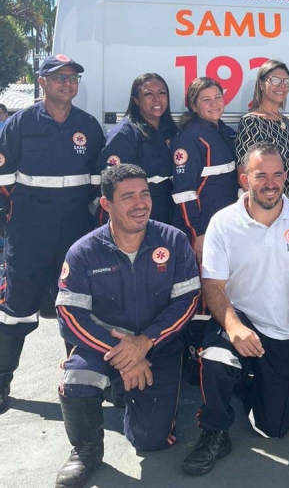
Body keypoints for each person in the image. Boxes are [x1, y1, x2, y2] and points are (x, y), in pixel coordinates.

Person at [54, 164, 200, 488]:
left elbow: (188, 300)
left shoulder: (173, 241)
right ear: (106, 204)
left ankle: (127, 393)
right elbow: (69, 315)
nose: (140, 203)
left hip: (157, 347)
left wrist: (145, 342)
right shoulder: (84, 251)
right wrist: (124, 353)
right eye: (128, 197)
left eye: (145, 194)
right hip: (103, 346)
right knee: (77, 378)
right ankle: (86, 452)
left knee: (151, 440)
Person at [182, 143, 289, 476]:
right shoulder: (223, 222)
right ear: (244, 178)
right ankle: (214, 430)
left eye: (277, 175)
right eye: (261, 175)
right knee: (216, 358)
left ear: (286, 178)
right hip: (236, 319)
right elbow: (212, 287)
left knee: (273, 428)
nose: (270, 183)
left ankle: (246, 382)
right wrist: (233, 327)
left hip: (280, 330)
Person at [0, 55, 105, 415]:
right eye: (58, 77)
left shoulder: (88, 126)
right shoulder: (20, 125)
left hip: (75, 236)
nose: (67, 83)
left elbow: (96, 184)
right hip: (28, 235)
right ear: (42, 82)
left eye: (73, 77)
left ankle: (80, 385)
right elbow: (3, 182)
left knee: (76, 309)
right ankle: (1, 383)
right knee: (16, 311)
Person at [171, 77, 237, 266]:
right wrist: (197, 233)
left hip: (224, 226)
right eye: (205, 100)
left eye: (217, 97)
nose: (214, 104)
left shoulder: (227, 133)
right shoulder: (189, 139)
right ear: (193, 106)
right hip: (202, 230)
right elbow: (183, 193)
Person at [97, 73, 178, 225]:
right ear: (136, 100)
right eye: (148, 94)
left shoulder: (169, 130)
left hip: (165, 209)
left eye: (162, 93)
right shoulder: (124, 134)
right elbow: (112, 185)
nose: (157, 99)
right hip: (135, 213)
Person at [236, 59, 289, 203]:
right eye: (275, 80)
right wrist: (267, 207)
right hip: (268, 207)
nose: (282, 86)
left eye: (286, 82)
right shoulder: (251, 122)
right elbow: (244, 173)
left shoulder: (285, 122)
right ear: (261, 84)